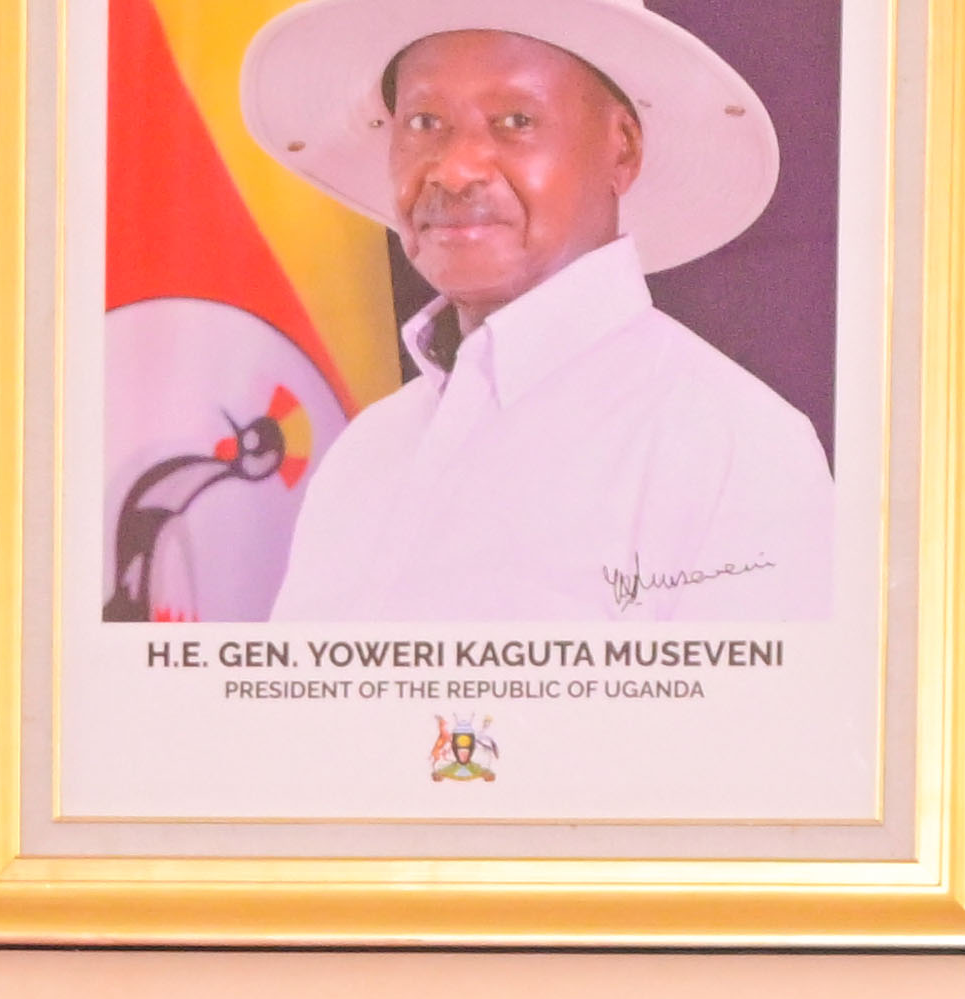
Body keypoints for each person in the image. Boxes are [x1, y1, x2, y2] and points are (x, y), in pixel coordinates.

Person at [232, 0, 831, 627]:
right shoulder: (366, 454)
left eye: (515, 120)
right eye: (425, 122)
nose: (455, 171)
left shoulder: (735, 449)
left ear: (622, 149)